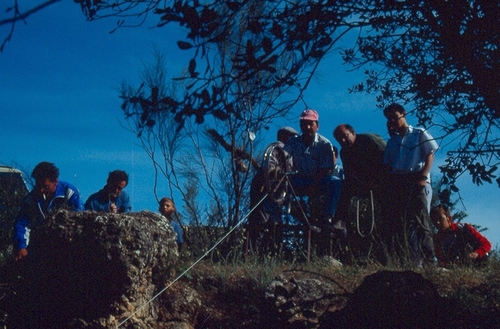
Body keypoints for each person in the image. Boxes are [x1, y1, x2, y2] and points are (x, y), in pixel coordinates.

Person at [382, 103, 439, 265]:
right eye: (389, 118)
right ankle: (412, 261)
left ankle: (429, 260)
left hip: (416, 178)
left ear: (403, 114)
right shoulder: (392, 141)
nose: (392, 120)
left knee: (421, 221)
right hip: (399, 182)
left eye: (395, 116)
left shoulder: (418, 133)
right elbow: (387, 165)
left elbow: (430, 153)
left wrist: (423, 176)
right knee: (404, 224)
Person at [283, 109, 341, 253]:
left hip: (318, 180)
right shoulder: (293, 141)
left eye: (310, 124)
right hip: (298, 180)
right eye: (303, 124)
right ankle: (278, 216)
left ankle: (328, 217)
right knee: (280, 186)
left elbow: (325, 169)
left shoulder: (324, 144)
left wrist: (314, 183)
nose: (307, 127)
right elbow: (282, 157)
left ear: (317, 125)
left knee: (335, 181)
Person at [333, 124, 389, 263]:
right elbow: (349, 174)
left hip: (384, 181)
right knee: (343, 186)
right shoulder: (344, 152)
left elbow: (388, 159)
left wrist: (378, 181)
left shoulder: (370, 140)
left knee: (386, 216)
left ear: (352, 132)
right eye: (340, 140)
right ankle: (339, 221)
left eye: (345, 136)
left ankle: (387, 251)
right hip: (363, 183)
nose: (343, 141)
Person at [13, 162, 84, 261]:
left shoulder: (69, 192)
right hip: (43, 244)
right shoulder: (31, 199)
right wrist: (21, 246)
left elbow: (80, 217)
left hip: (68, 243)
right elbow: (22, 223)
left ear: (56, 181)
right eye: (38, 186)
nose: (41, 190)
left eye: (46, 186)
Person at [247, 126, 299, 254]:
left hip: (276, 193)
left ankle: (270, 254)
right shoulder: (277, 148)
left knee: (274, 224)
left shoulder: (289, 153)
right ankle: (250, 254)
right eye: (292, 137)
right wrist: (281, 173)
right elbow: (269, 169)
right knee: (260, 223)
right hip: (264, 190)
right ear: (284, 136)